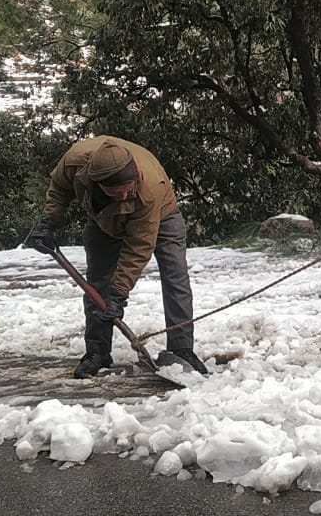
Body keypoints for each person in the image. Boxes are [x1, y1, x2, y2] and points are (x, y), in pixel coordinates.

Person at [26, 135, 209, 378]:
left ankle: (182, 349)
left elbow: (138, 247)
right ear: (97, 182)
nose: (124, 195)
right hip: (103, 218)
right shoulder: (74, 163)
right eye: (116, 191)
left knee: (175, 275)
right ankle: (97, 352)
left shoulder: (149, 187)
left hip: (160, 214)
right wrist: (49, 221)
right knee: (97, 281)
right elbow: (60, 188)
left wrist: (119, 295)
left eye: (127, 189)